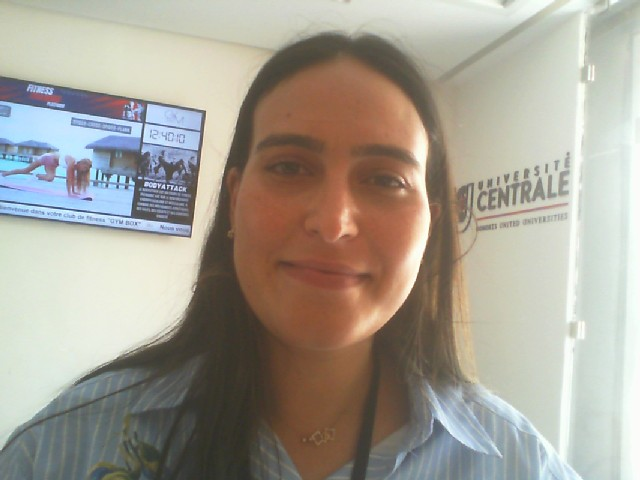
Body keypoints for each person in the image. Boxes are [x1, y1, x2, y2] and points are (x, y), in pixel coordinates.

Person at [0, 33, 582, 480]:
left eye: (384, 179)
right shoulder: (67, 447)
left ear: (430, 224)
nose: (332, 222)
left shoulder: (515, 463)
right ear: (234, 200)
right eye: (288, 167)